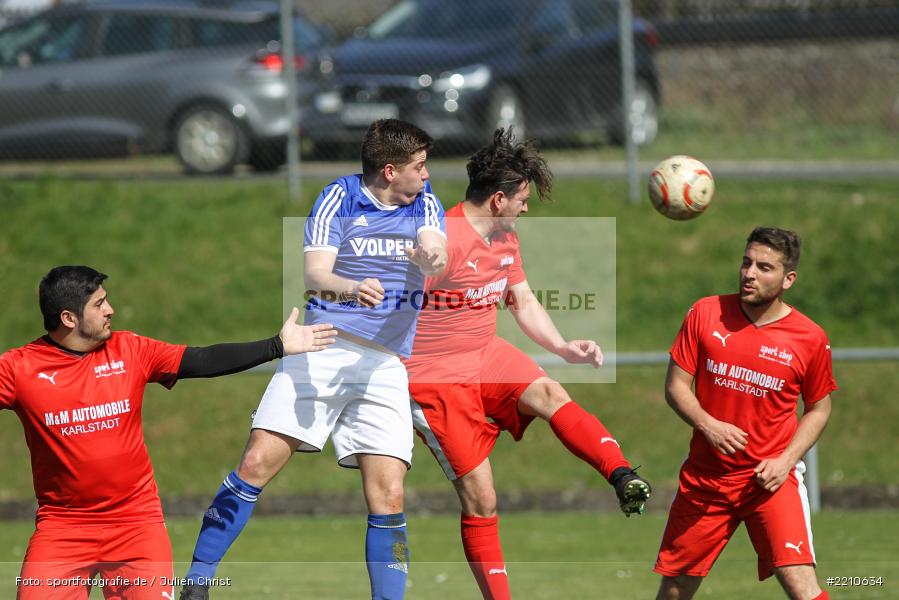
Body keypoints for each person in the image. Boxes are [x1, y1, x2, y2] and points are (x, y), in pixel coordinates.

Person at [179, 118, 447, 600]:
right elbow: (315, 273)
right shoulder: (338, 198)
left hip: (384, 365)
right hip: (323, 346)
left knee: (389, 496)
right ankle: (197, 583)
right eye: (419, 166)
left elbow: (436, 248)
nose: (426, 176)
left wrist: (432, 258)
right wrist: (351, 287)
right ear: (390, 170)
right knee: (257, 462)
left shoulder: (425, 202)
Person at [403, 128, 651, 600]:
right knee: (482, 498)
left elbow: (523, 299)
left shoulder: (504, 238)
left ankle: (622, 476)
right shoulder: (445, 239)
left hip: (486, 353)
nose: (527, 207)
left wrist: (561, 347)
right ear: (497, 199)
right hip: (435, 377)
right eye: (522, 198)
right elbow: (398, 302)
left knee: (551, 392)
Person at [1, 265, 337, 600]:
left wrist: (276, 346)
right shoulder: (19, 369)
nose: (110, 310)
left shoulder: (130, 350)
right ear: (69, 318)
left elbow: (201, 360)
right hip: (63, 527)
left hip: (136, 523)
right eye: (99, 304)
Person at [654, 226, 835, 600]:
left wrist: (785, 461)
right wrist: (707, 424)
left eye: (764, 267)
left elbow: (819, 408)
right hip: (707, 481)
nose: (749, 273)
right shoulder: (706, 313)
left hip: (770, 481)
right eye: (746, 262)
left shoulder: (810, 337)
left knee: (802, 587)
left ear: (789, 279)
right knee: (674, 590)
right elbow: (675, 387)